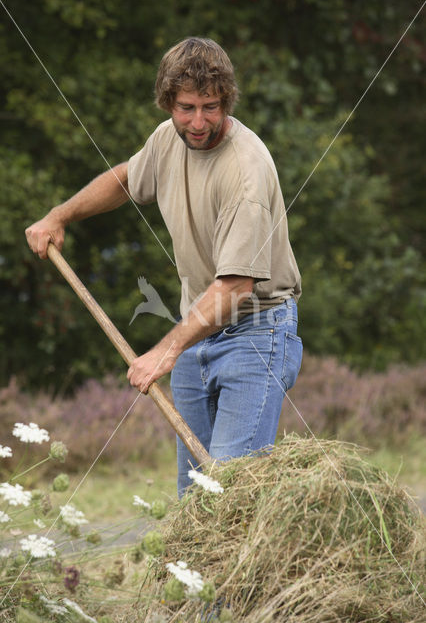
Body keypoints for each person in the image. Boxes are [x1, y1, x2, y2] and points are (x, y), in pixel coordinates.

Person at [25, 37, 303, 497]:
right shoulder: (167, 139)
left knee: (232, 495)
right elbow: (128, 178)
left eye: (210, 107)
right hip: (197, 331)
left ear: (226, 101)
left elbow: (236, 287)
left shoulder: (246, 172)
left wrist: (165, 352)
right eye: (187, 107)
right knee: (194, 497)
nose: (198, 122)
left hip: (256, 334)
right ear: (169, 103)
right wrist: (60, 216)